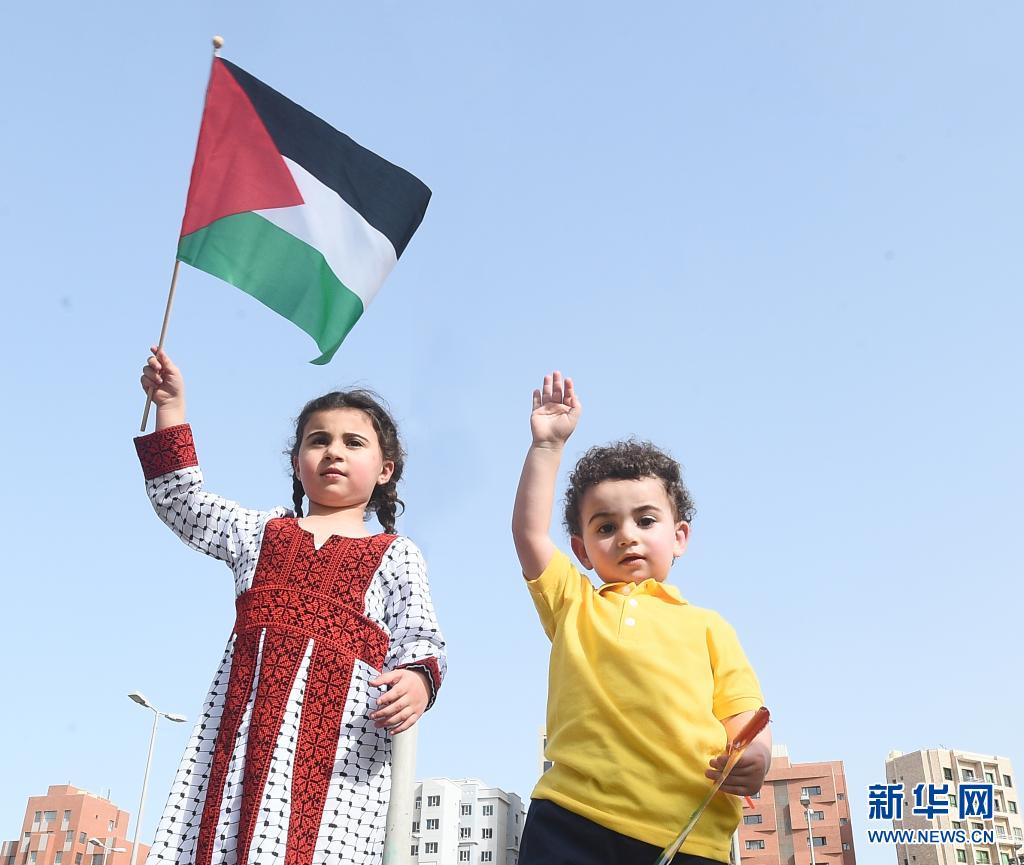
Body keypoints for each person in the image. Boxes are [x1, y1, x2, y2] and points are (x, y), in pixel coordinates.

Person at [134, 347, 445, 865]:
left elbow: (420, 640)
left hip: (341, 760)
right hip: (243, 747)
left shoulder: (396, 554)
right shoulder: (260, 533)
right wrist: (170, 408)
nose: (334, 452)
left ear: (385, 470)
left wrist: (418, 682)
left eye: (353, 442)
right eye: (318, 440)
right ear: (297, 462)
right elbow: (183, 502)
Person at [512, 371, 770, 865]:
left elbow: (746, 717)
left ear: (679, 537)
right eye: (606, 526)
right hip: (570, 818)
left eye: (646, 520)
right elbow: (529, 535)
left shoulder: (709, 626)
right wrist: (546, 446)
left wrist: (756, 757)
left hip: (687, 833)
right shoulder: (573, 603)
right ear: (581, 550)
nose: (628, 535)